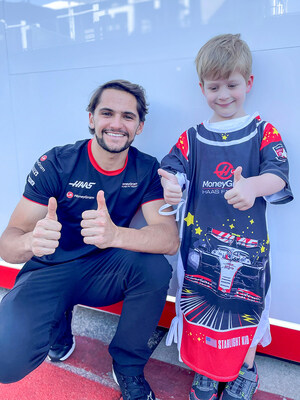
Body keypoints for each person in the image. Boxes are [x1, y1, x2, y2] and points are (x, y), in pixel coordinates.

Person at [0, 79, 179, 400]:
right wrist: (31, 242)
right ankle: (58, 321)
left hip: (103, 268)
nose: (116, 123)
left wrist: (115, 235)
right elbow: (8, 244)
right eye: (107, 113)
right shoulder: (57, 162)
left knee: (154, 269)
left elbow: (169, 239)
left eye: (128, 116)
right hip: (50, 269)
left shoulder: (146, 167)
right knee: (5, 363)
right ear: (91, 118)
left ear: (139, 126)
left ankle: (127, 367)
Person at [158, 34, 293, 400]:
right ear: (201, 87)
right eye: (213, 86)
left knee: (247, 309)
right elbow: (171, 169)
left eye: (231, 84)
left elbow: (278, 173)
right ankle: (205, 370)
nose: (223, 94)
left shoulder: (263, 131)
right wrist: (170, 185)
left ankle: (244, 369)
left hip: (250, 251)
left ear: (247, 83)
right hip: (200, 247)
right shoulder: (193, 136)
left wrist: (252, 186)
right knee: (199, 305)